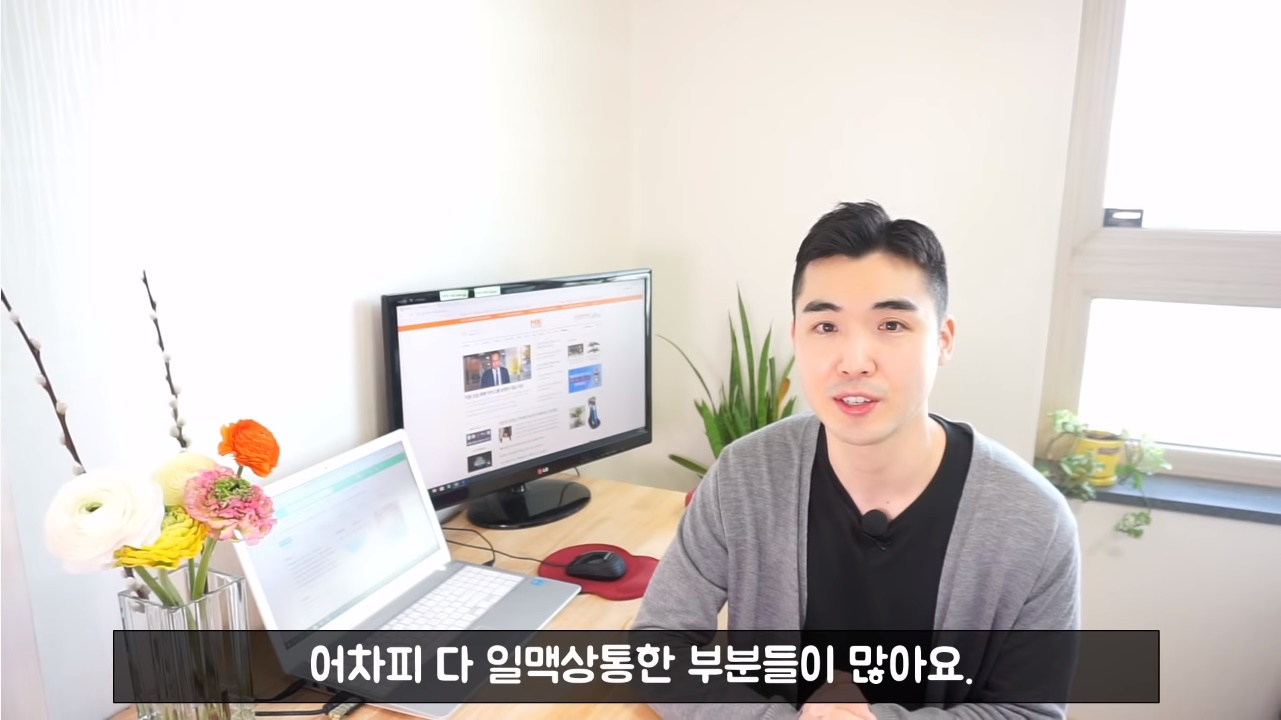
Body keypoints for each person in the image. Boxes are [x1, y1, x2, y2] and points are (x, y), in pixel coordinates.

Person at [631, 201, 1081, 719]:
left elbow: (1029, 713)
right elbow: (657, 648)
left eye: (891, 324)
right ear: (797, 337)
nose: (854, 362)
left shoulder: (1034, 521)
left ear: (943, 341)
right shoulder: (746, 474)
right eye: (826, 327)